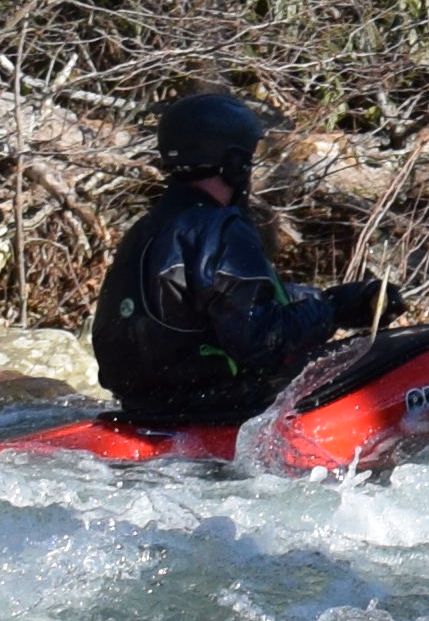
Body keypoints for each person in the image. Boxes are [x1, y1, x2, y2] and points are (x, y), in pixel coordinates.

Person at [92, 91, 396, 425]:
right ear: (235, 164)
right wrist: (333, 311)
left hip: (145, 407)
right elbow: (263, 343)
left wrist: (327, 299)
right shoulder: (221, 229)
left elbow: (223, 304)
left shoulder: (146, 228)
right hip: (216, 411)